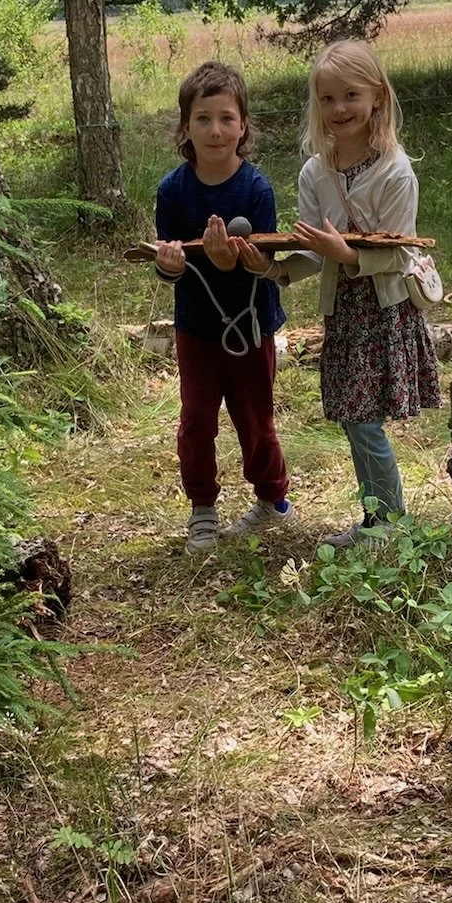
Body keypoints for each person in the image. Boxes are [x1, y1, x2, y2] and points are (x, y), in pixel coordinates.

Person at [275, 38, 439, 549]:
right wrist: (273, 270)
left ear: (377, 99)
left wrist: (343, 253)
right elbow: (314, 253)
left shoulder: (395, 171)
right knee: (352, 416)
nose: (338, 109)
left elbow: (397, 254)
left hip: (382, 310)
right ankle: (377, 518)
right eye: (327, 99)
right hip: (344, 311)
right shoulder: (314, 172)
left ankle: (389, 522)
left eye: (350, 96)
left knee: (364, 419)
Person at [154, 61, 294, 554]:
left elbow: (266, 265)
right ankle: (202, 509)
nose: (216, 130)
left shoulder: (256, 189)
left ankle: (272, 500)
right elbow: (168, 267)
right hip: (196, 327)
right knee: (196, 418)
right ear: (185, 128)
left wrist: (234, 262)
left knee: (253, 417)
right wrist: (171, 263)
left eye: (227, 118)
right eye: (203, 118)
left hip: (251, 325)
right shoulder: (172, 190)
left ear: (244, 127)